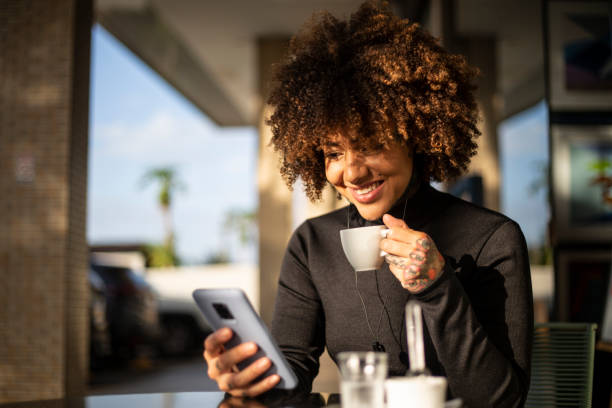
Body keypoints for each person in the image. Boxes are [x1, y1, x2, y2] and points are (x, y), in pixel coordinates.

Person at [203, 1, 533, 406]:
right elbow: (291, 374)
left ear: (416, 136)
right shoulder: (313, 244)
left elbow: (503, 401)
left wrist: (437, 286)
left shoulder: (493, 239)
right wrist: (247, 376)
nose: (352, 173)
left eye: (371, 145)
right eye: (333, 152)